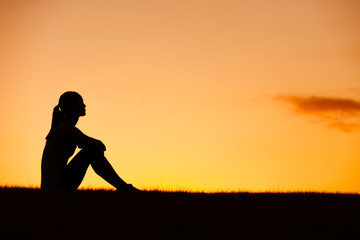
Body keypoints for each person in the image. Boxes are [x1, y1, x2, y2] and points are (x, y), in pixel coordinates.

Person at [41, 91, 141, 193]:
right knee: (92, 152)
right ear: (73, 105)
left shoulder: (63, 128)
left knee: (92, 151)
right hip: (56, 189)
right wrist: (87, 144)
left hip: (53, 187)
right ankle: (124, 188)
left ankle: (123, 188)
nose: (84, 105)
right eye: (81, 102)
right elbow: (100, 146)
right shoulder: (67, 130)